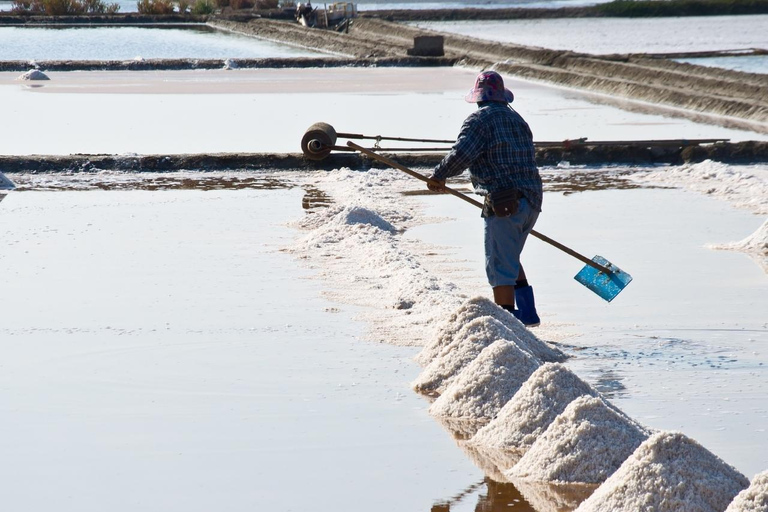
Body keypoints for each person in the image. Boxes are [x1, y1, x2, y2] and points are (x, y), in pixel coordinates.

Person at [427, 70, 543, 326]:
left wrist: (439, 176)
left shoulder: (478, 121)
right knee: (509, 256)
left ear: (479, 98)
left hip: (505, 203)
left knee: (499, 265)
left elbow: (461, 154)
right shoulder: (518, 120)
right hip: (532, 201)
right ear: (502, 97)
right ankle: (529, 315)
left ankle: (509, 327)